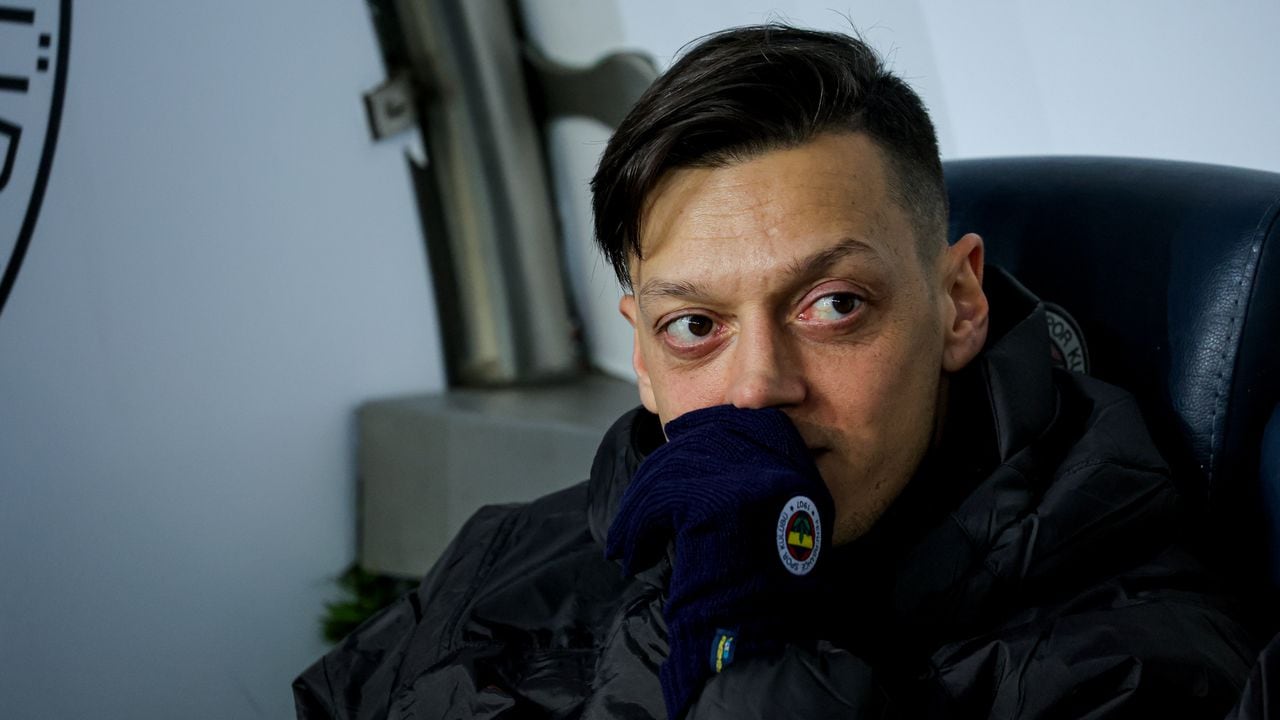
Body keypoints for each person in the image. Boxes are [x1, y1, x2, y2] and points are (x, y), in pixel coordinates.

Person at [294, 25, 1259, 719]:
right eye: (695, 325)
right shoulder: (510, 552)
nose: (757, 388)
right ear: (640, 353)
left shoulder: (1133, 665)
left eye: (832, 304)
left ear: (961, 302)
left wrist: (745, 638)